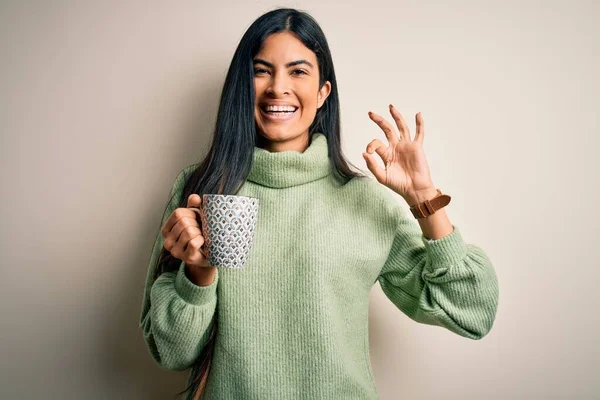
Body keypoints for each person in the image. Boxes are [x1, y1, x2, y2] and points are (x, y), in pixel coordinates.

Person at [139, 7, 499, 400]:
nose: (278, 87)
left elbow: (473, 312)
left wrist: (425, 199)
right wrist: (198, 272)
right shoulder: (200, 191)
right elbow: (171, 352)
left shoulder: (365, 202)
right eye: (261, 71)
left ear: (323, 92)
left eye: (298, 71)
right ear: (242, 87)